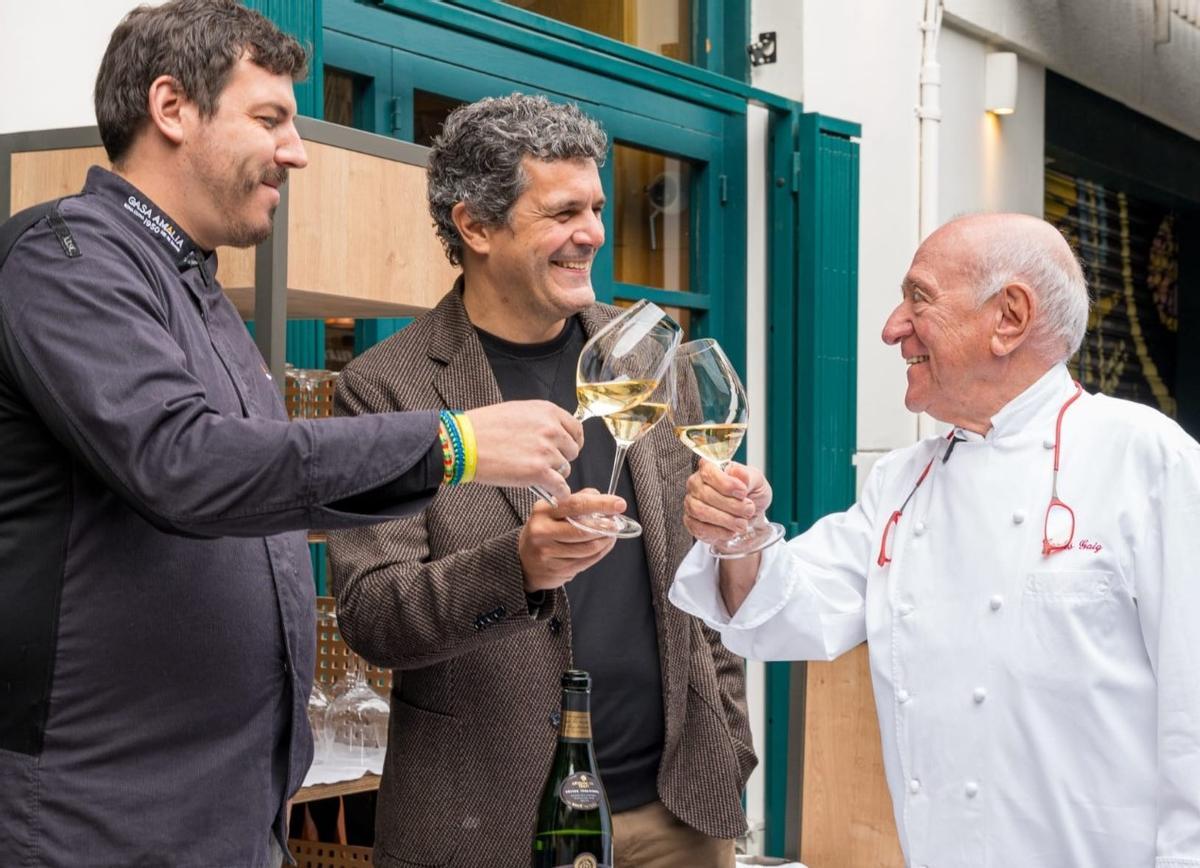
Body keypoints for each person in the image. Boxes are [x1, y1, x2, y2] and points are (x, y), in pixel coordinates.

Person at [0, 3, 583, 865]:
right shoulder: (65, 262)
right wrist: (452, 445)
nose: (297, 150)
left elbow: (271, 486)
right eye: (269, 118)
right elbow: (183, 464)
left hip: (226, 810)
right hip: (98, 813)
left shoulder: (194, 289)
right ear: (171, 108)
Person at [670, 212, 1200, 867]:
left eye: (918, 298)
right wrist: (740, 534)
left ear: (1008, 317)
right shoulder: (904, 480)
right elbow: (782, 614)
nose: (893, 328)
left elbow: (1194, 720)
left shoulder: (1146, 459)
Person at [328, 93, 756, 868]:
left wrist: (727, 741)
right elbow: (373, 616)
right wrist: (516, 567)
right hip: (489, 823)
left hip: (674, 814)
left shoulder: (647, 359)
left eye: (595, 207)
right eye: (562, 213)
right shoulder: (385, 390)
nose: (591, 233)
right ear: (476, 226)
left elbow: (699, 579)